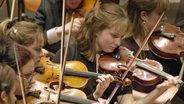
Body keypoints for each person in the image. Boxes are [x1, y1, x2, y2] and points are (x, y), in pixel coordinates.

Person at [53, 3, 180, 103]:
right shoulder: (68, 54)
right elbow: (54, 99)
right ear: (97, 30)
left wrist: (158, 91)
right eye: (114, 36)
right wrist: (95, 95)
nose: (118, 42)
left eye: (121, 37)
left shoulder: (120, 64)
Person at [121, 0, 183, 103]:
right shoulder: (123, 49)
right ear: (144, 15)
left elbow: (176, 82)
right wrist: (158, 98)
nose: (165, 18)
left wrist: (172, 89)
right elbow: (120, 91)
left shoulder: (168, 49)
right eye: (160, 14)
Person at [33, 0, 120, 53]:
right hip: (51, 63)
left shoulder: (96, 8)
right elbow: (32, 39)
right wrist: (59, 31)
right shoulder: (48, 4)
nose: (74, 1)